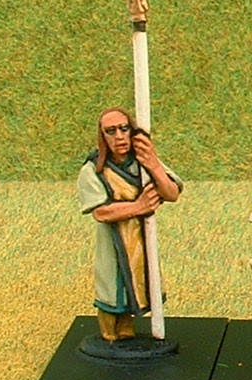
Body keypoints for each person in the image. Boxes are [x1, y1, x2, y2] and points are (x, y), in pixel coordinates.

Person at [77, 107, 182, 343]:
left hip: (140, 239)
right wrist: (138, 206)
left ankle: (127, 329)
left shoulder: (142, 163)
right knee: (112, 285)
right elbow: (101, 212)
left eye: (124, 129)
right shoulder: (94, 170)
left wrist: (153, 165)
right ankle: (108, 334)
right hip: (113, 241)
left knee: (139, 283)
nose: (119, 136)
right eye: (111, 131)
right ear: (102, 136)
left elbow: (172, 192)